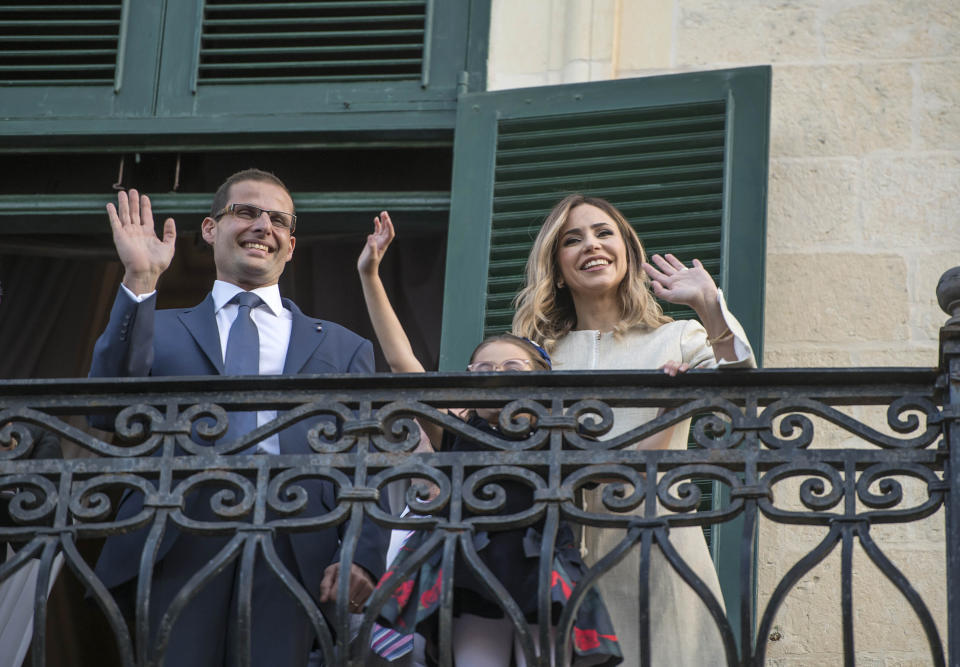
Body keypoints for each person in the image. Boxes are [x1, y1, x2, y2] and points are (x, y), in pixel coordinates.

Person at [88, 170, 389, 667]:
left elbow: (368, 459)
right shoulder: (157, 327)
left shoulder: (342, 346)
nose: (262, 226)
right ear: (210, 229)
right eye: (246, 212)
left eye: (277, 220)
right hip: (178, 536)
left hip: (298, 543)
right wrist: (140, 280)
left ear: (291, 245)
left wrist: (362, 553)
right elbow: (107, 407)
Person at [357, 212, 622, 667]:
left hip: (542, 576)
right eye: (482, 371)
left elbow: (608, 474)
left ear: (541, 384)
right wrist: (370, 275)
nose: (495, 379)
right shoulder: (458, 429)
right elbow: (405, 365)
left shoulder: (558, 434)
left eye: (511, 369)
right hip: (469, 580)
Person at [512, 194, 757, 666]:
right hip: (559, 553)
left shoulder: (679, 337)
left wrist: (709, 307)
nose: (591, 245)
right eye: (573, 239)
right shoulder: (534, 355)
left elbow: (741, 392)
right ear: (558, 269)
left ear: (627, 253)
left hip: (660, 544)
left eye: (604, 233)